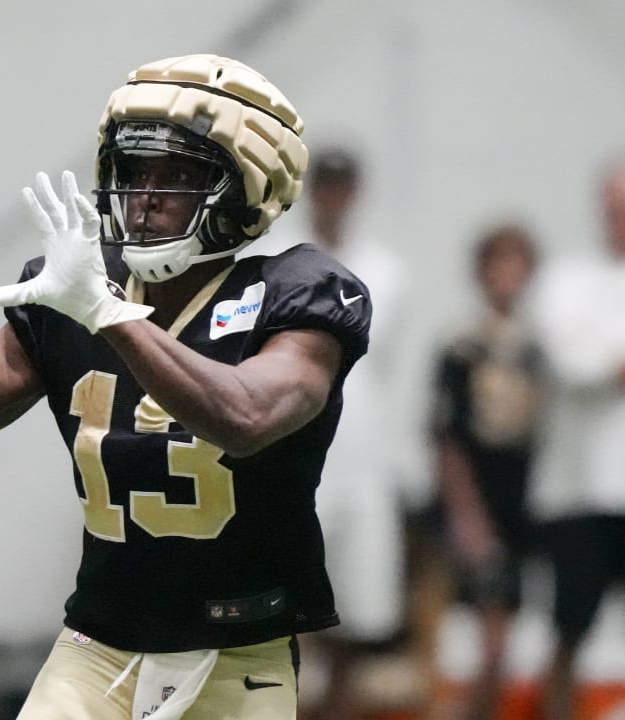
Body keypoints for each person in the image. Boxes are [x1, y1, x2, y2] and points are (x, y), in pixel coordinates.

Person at [0, 54, 371, 720]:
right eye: (136, 171)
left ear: (245, 186)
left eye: (179, 173)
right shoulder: (74, 291)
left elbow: (245, 418)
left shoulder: (296, 293)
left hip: (238, 658)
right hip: (95, 653)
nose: (147, 193)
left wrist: (111, 317)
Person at [244, 147, 417, 719]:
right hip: (288, 453)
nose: (335, 195)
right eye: (327, 184)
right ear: (312, 189)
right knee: (282, 602)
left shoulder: (386, 271)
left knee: (353, 610)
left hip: (361, 459)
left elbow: (383, 368)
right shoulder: (273, 257)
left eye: (345, 184)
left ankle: (335, 710)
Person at [427, 224, 544, 719]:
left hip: (522, 502)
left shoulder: (536, 346)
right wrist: (467, 516)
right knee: (474, 641)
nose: (507, 276)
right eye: (498, 263)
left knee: (505, 643)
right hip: (473, 503)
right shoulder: (462, 345)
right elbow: (445, 436)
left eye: (517, 264)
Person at [529, 162, 625, 720]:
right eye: (613, 205)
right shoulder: (567, 277)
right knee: (569, 631)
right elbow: (570, 364)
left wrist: (603, 355)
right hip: (578, 492)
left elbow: (593, 360)